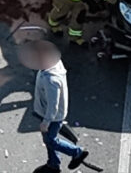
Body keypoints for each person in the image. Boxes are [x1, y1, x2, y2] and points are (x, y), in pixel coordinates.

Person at [20, 40, 89, 173]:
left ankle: (77, 152)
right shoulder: (53, 64)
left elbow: (53, 106)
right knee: (48, 140)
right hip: (46, 111)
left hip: (51, 116)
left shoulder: (51, 80)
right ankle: (53, 164)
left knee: (51, 141)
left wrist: (46, 122)